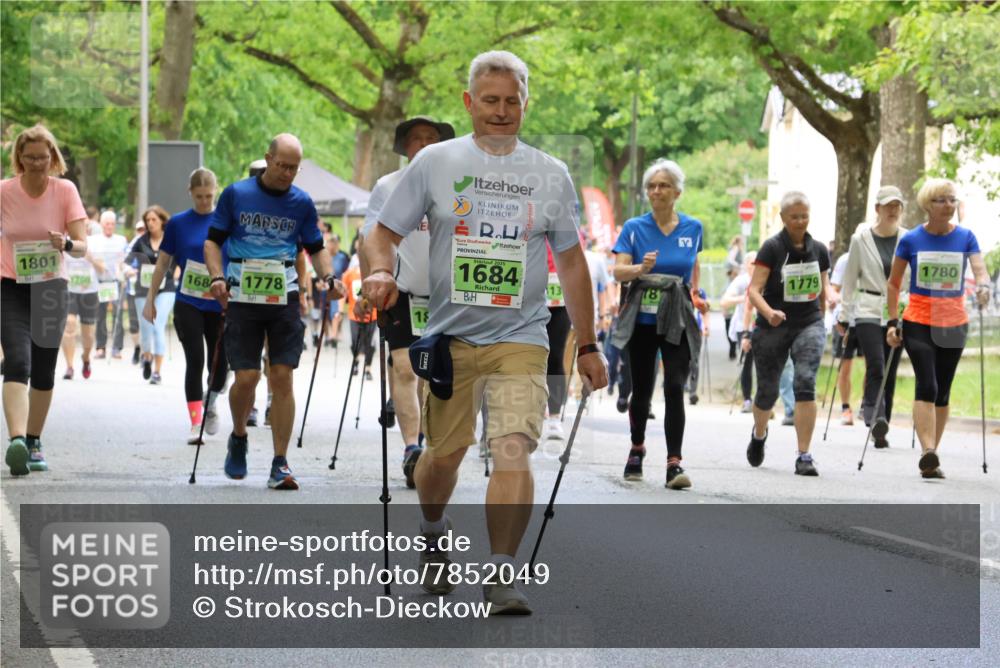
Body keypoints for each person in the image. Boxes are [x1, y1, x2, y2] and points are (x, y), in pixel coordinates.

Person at [363, 51, 608, 615]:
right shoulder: (435, 164)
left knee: (513, 448)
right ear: (470, 103)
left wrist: (589, 344)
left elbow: (570, 263)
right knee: (442, 460)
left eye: (512, 101)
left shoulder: (550, 173)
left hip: (522, 335)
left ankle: (501, 575)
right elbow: (382, 233)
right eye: (490, 101)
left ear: (526, 104)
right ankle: (432, 528)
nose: (501, 112)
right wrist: (380, 269)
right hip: (450, 337)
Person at [205, 133, 343, 491]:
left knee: (282, 377)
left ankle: (280, 462)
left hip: (284, 295)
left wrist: (329, 277)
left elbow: (315, 247)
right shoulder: (236, 194)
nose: (287, 173)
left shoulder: (302, 203)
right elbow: (212, 241)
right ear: (268, 159)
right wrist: (217, 277)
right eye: (282, 165)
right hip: (243, 293)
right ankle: (238, 435)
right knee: (247, 378)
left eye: (294, 168)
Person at [359, 115, 455, 486]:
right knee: (405, 368)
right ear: (405, 147)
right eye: (416, 139)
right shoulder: (388, 186)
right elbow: (370, 237)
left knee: (436, 375)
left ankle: (432, 442)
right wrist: (368, 287)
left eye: (432, 138)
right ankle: (412, 449)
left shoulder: (457, 186)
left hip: (449, 296)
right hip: (400, 291)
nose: (424, 144)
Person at [611, 158, 707, 489]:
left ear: (677, 192)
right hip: (642, 316)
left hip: (677, 315)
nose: (656, 191)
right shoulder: (634, 228)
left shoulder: (693, 228)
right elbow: (617, 271)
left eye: (663, 185)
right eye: (652, 185)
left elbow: (691, 267)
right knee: (641, 389)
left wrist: (697, 294)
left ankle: (674, 463)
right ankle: (637, 448)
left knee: (675, 386)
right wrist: (639, 268)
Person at [887, 178, 990, 479]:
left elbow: (980, 269)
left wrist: (983, 287)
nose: (948, 205)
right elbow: (894, 284)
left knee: (942, 390)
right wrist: (893, 321)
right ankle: (927, 450)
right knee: (927, 384)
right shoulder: (911, 240)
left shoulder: (966, 237)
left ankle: (932, 453)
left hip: (954, 321)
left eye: (952, 200)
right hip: (918, 319)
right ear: (927, 205)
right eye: (941, 200)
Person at [2, 124, 89, 475]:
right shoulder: (5, 191)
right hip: (10, 286)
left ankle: (35, 440)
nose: (37, 163)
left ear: (53, 157)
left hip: (51, 287)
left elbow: (83, 246)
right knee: (17, 361)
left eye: (43, 157)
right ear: (19, 158)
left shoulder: (65, 190)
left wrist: (66, 244)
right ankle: (17, 441)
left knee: (43, 369)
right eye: (30, 157)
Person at [746, 191, 830, 476]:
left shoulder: (819, 249)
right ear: (783, 218)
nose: (800, 221)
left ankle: (804, 455)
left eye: (804, 216)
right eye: (794, 216)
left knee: (805, 381)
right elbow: (754, 290)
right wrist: (769, 313)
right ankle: (759, 434)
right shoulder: (771, 248)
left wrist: (828, 305)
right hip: (773, 325)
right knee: (767, 392)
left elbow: (823, 288)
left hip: (808, 322)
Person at [143, 168, 229, 444]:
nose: (204, 202)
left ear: (215, 192)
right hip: (189, 301)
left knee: (220, 364)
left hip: (220, 302)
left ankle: (211, 399)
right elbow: (163, 263)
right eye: (199, 196)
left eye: (209, 196)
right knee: (195, 359)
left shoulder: (227, 220)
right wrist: (151, 297)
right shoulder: (179, 224)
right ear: (190, 193)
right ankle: (196, 423)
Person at [838, 185, 906, 448]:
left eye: (897, 205)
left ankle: (881, 425)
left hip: (897, 310)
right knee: (876, 364)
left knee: (889, 368)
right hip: (867, 307)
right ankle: (874, 413)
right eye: (888, 205)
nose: (893, 210)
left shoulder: (908, 238)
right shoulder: (861, 239)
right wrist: (844, 315)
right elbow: (849, 279)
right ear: (877, 208)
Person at [128, 205, 177, 385]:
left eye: (154, 220)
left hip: (167, 289)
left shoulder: (171, 239)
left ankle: (157, 371)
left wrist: (178, 270)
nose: (150, 223)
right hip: (144, 289)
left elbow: (180, 257)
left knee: (157, 325)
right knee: (146, 327)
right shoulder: (141, 241)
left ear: (162, 221)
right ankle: (146, 357)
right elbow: (128, 260)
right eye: (147, 220)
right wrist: (126, 269)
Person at [60, 233, 102, 380]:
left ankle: (85, 357)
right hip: (69, 290)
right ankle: (69, 366)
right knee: (69, 324)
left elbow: (102, 269)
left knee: (88, 334)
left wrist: (90, 258)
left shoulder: (94, 243)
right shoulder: (63, 243)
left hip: (89, 292)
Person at [829, 249, 862, 425]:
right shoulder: (844, 260)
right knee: (845, 366)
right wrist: (836, 309)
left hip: (868, 319)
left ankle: (866, 405)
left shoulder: (876, 256)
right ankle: (845, 408)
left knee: (873, 365)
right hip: (846, 318)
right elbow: (833, 290)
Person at [90, 210, 129, 358]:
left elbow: (125, 259)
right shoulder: (93, 240)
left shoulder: (121, 240)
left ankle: (117, 348)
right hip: (100, 281)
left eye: (112, 224)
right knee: (100, 314)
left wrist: (124, 273)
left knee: (118, 314)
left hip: (117, 280)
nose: (110, 226)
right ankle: (101, 347)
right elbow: (88, 258)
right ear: (101, 224)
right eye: (107, 223)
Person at [721, 252, 756, 412]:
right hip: (743, 326)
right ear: (746, 265)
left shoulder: (766, 278)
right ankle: (747, 399)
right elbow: (724, 301)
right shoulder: (742, 281)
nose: (755, 266)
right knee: (746, 363)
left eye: (758, 263)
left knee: (764, 365)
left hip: (762, 326)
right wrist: (745, 298)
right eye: (752, 263)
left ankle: (763, 400)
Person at [724, 235, 744, 359]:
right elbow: (730, 260)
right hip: (734, 279)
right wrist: (739, 267)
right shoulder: (736, 249)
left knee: (732, 320)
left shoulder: (734, 248)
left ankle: (734, 346)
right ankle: (733, 346)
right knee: (730, 318)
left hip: (733, 279)